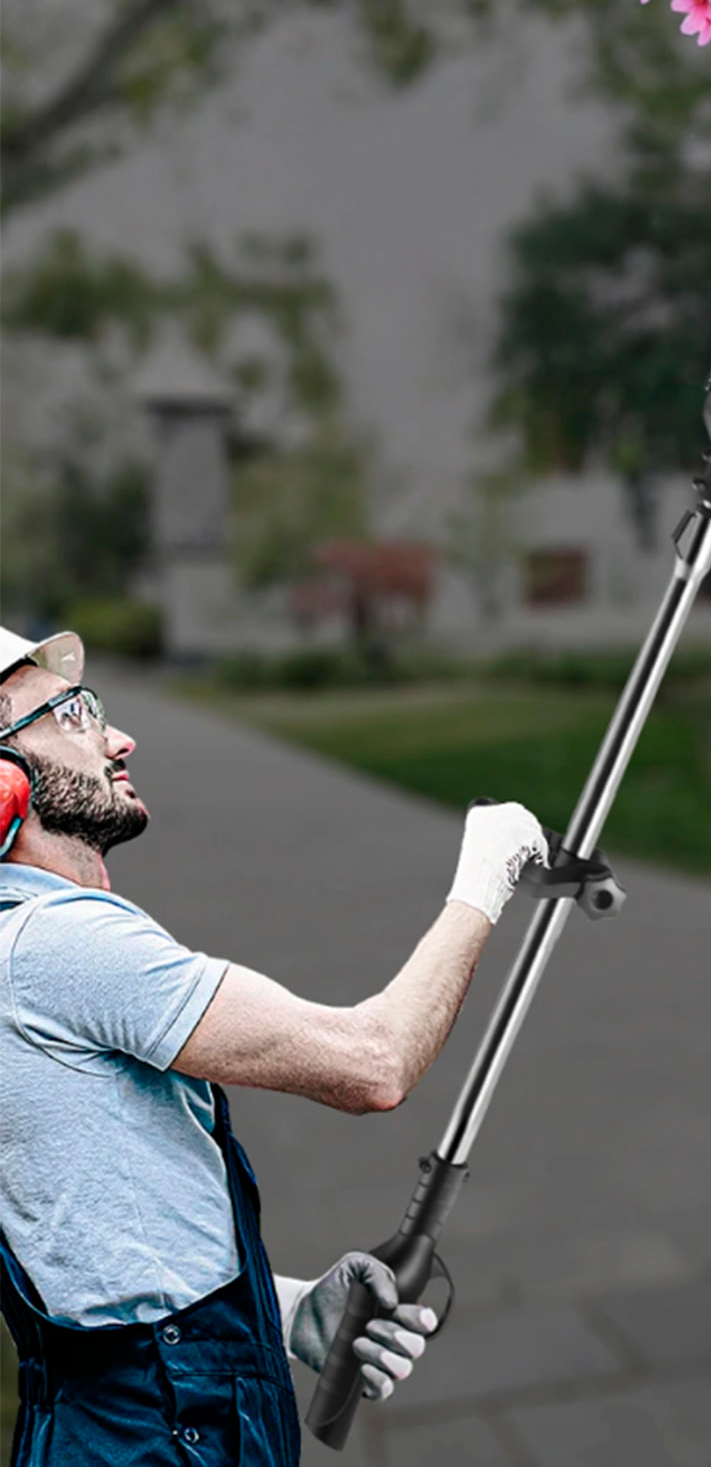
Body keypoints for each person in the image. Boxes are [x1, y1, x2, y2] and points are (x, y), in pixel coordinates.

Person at [0, 625, 549, 1466]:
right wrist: (488, 871)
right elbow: (373, 1062)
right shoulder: (56, 947)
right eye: (73, 714)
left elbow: (81, 1228)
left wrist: (284, 1311)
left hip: (118, 1418)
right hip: (163, 1432)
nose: (119, 738)